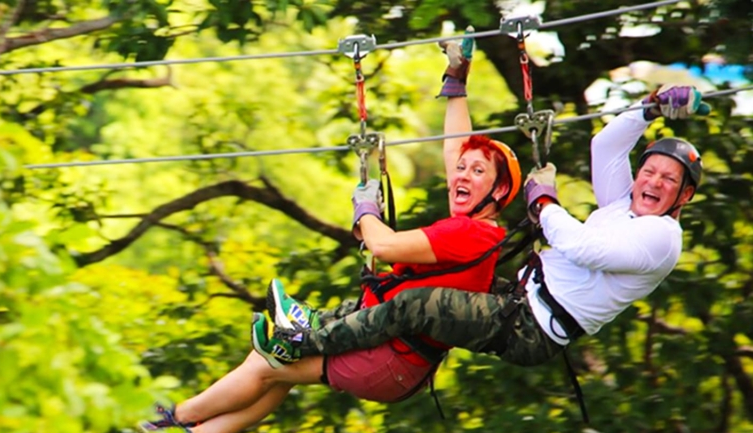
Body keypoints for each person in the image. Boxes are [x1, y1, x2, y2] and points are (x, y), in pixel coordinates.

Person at [136, 34, 522, 433]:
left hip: (389, 357)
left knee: (269, 361)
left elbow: (384, 246)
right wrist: (456, 82)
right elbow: (456, 148)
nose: (461, 174)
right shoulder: (478, 228)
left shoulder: (471, 233)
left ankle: (175, 420)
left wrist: (366, 210)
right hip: (395, 359)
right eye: (461, 169)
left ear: (498, 192)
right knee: (278, 367)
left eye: (477, 171)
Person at [254, 84, 707, 373]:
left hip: (533, 327)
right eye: (649, 171)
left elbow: (584, 249)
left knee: (416, 305)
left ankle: (306, 341)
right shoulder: (624, 208)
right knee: (419, 282)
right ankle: (317, 321)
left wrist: (544, 201)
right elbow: (606, 145)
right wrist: (650, 108)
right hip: (519, 297)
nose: (653, 183)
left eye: (669, 180)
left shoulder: (661, 238)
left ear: (684, 196)